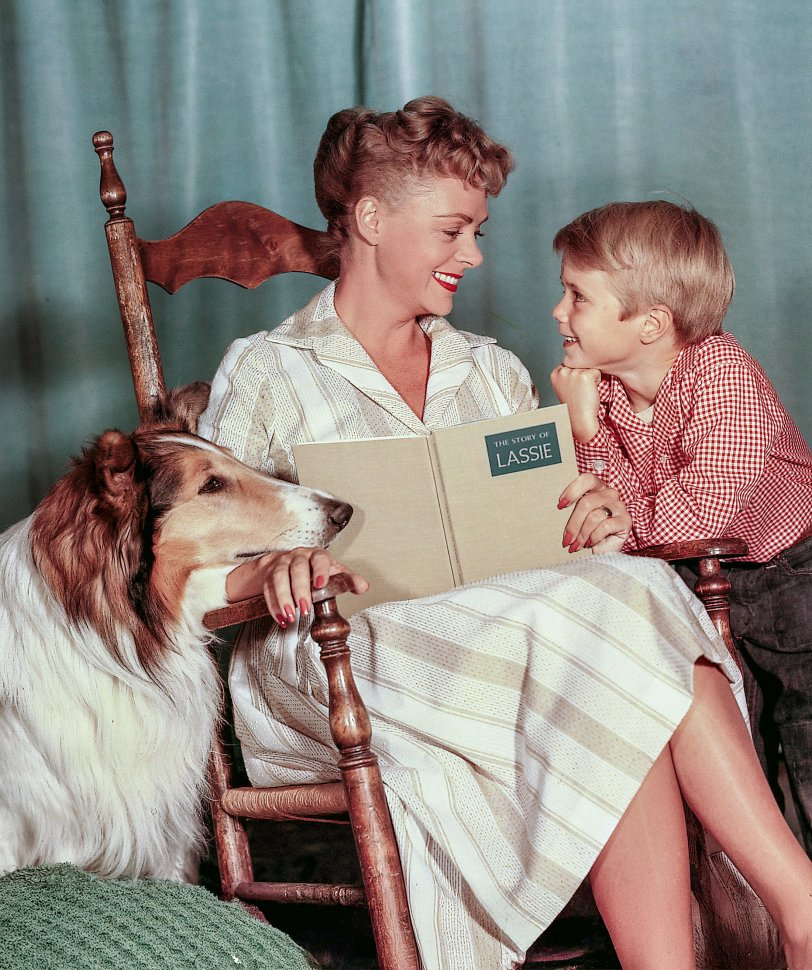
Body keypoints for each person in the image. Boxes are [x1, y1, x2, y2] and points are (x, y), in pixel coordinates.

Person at [200, 98, 812, 970]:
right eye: (453, 231)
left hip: (510, 640)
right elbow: (189, 575)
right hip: (334, 654)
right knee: (613, 640)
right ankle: (802, 903)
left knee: (619, 650)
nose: (475, 255)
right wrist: (272, 569)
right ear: (370, 219)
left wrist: (595, 518)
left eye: (477, 232)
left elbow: (556, 547)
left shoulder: (487, 369)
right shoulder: (268, 368)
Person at [550, 200, 812, 858]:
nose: (558, 311)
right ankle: (761, 903)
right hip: (697, 580)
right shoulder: (603, 392)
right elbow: (601, 514)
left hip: (792, 572)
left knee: (809, 732)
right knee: (736, 750)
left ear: (651, 324)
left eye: (577, 296)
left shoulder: (723, 374)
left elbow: (698, 514)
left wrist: (623, 519)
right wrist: (585, 429)